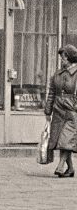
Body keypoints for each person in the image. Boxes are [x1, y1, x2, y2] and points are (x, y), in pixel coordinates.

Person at [46, 45, 77, 178]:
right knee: (61, 141)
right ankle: (70, 169)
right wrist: (48, 110)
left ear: (70, 58)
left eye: (63, 58)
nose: (61, 60)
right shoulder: (57, 74)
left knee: (65, 139)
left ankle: (60, 166)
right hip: (58, 111)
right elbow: (52, 92)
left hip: (72, 112)